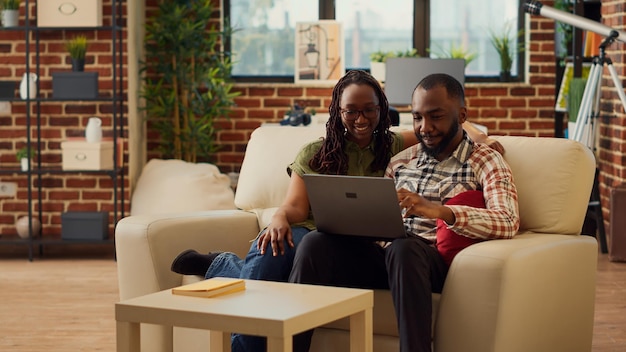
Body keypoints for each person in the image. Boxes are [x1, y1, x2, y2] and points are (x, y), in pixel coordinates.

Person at [170, 70, 503, 352]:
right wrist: (278, 217)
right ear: (337, 112)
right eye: (351, 111)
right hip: (312, 231)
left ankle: (224, 266)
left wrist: (481, 138)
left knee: (319, 253)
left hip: (364, 248)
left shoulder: (393, 146)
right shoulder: (316, 152)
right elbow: (295, 207)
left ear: (381, 109)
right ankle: (246, 336)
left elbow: (435, 124)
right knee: (282, 249)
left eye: (369, 110)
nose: (361, 119)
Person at [287, 73, 520, 352]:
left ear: (462, 115)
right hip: (387, 257)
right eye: (418, 118)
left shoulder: (485, 160)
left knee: (405, 249)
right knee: (316, 243)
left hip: (429, 262)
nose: (425, 127)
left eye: (436, 117)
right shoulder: (400, 161)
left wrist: (441, 211)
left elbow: (508, 221)